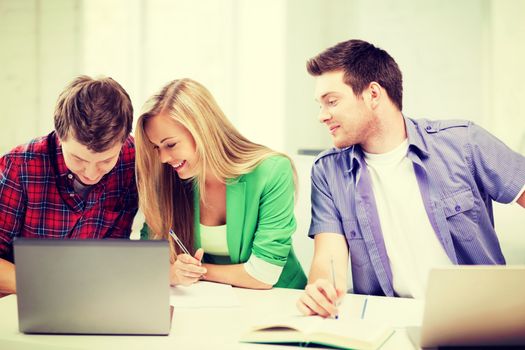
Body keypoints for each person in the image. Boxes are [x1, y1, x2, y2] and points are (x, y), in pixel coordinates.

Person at [296, 39, 525, 318]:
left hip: (482, 319)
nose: (322, 116)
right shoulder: (327, 171)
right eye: (319, 105)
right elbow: (327, 261)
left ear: (373, 95)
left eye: (331, 101)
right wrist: (321, 291)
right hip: (388, 324)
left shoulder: (464, 142)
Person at [135, 78, 306, 289]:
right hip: (210, 304)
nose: (163, 158)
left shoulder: (272, 171)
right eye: (156, 148)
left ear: (202, 129)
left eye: (170, 144)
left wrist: (195, 272)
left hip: (281, 302)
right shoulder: (170, 179)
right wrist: (172, 273)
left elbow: (264, 273)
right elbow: (147, 262)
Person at [0, 76, 138, 296]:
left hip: (94, 296)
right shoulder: (20, 167)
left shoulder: (132, 159)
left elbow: (115, 251)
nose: (91, 174)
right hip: (23, 299)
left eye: (105, 161)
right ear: (60, 135)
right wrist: (51, 286)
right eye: (79, 159)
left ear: (123, 141)